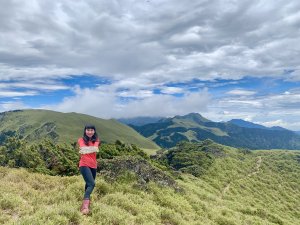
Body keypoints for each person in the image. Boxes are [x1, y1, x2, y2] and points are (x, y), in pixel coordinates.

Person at [78, 124, 100, 215]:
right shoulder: (81, 139)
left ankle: (86, 202)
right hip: (84, 164)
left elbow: (94, 148)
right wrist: (91, 149)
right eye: (88, 130)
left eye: (91, 130)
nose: (90, 132)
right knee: (92, 183)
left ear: (94, 131)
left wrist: (86, 149)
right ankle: (85, 206)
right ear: (85, 131)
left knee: (88, 184)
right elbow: (84, 149)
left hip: (93, 165)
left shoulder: (97, 140)